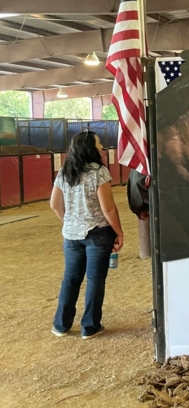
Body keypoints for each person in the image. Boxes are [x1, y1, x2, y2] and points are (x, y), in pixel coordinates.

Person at [49, 131, 124, 339]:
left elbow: (54, 204)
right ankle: (89, 326)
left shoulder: (64, 171)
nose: (102, 147)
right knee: (95, 279)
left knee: (70, 280)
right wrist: (119, 232)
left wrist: (69, 221)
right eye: (99, 144)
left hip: (71, 236)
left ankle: (61, 325)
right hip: (97, 234)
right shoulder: (99, 172)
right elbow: (108, 208)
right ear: (90, 148)